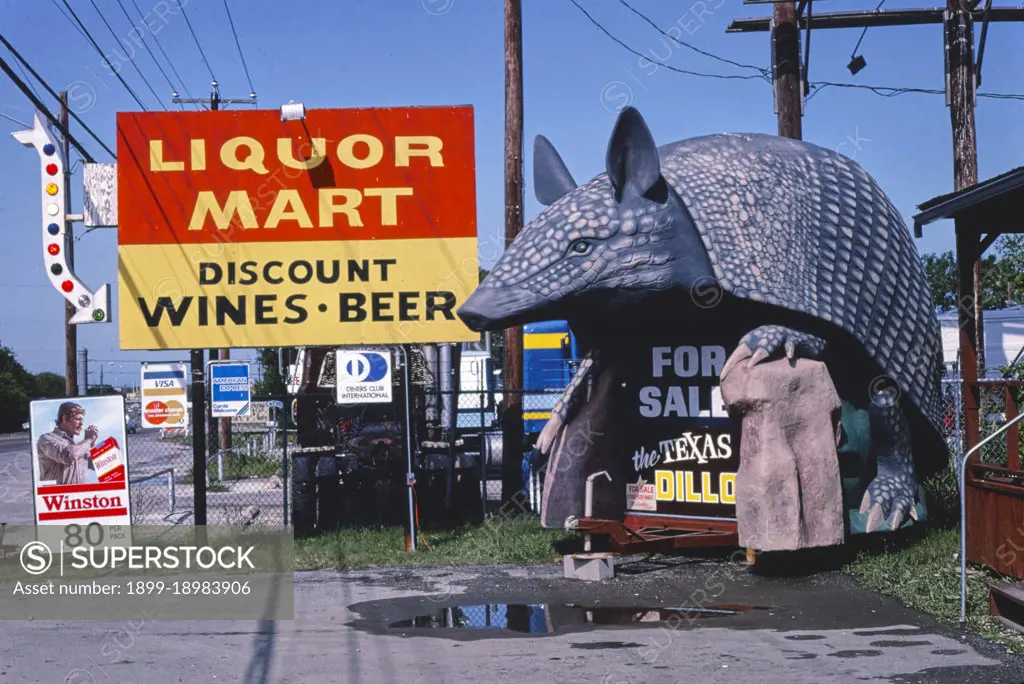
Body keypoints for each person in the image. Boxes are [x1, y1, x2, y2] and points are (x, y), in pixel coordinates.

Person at [36, 402, 99, 485]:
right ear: (65, 418)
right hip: (59, 497)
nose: (81, 424)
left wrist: (92, 444)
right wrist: (89, 439)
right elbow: (70, 455)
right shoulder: (47, 439)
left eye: (82, 420)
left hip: (84, 496)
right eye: (78, 419)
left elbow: (98, 466)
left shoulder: (79, 446)